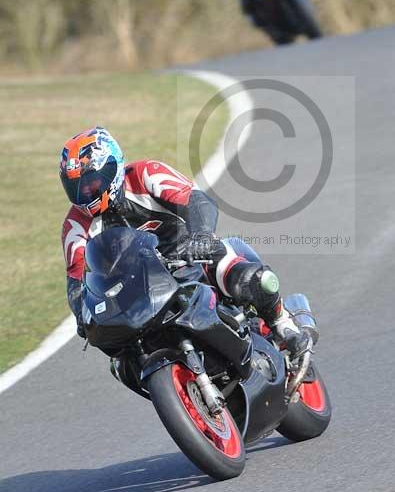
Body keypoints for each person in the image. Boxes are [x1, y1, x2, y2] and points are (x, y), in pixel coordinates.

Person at [60, 126, 309, 360]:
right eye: (76, 188)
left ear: (111, 168)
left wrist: (200, 236)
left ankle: (282, 322)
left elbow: (196, 200)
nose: (86, 193)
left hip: (189, 257)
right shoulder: (75, 224)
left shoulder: (145, 174)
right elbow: (76, 277)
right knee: (117, 352)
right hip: (138, 287)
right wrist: (82, 313)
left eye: (91, 183)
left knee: (249, 278)